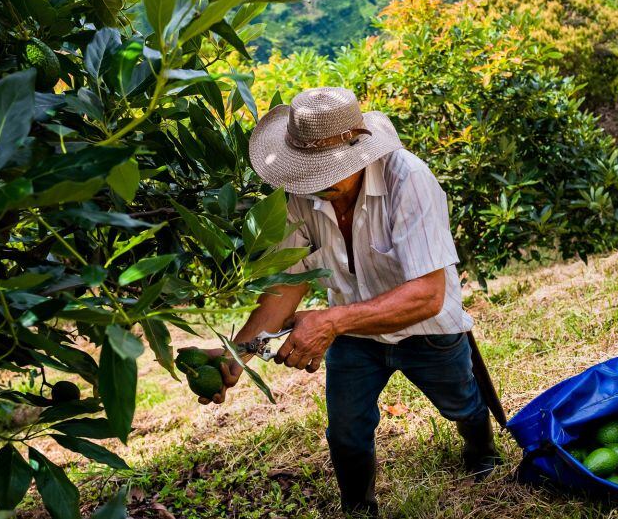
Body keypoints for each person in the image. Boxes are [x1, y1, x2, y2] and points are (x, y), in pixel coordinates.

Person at [194, 87, 502, 516]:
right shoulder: (301, 195)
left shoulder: (408, 179)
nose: (313, 183)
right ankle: (358, 507)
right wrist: (237, 353)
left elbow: (428, 296)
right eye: (306, 171)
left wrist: (332, 321)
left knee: (463, 402)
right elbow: (290, 282)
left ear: (359, 153)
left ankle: (481, 452)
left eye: (324, 172)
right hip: (355, 337)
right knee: (345, 431)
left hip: (428, 331)